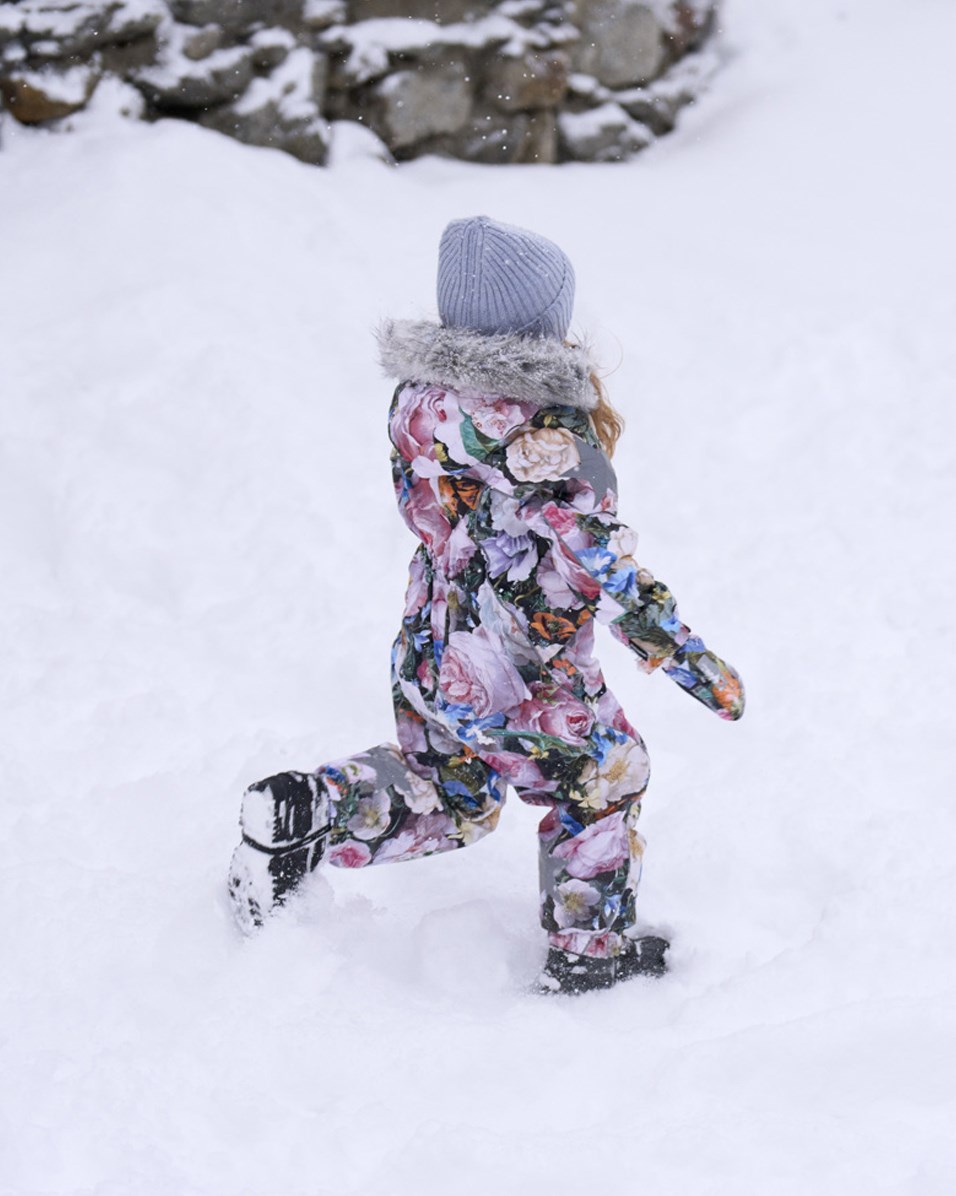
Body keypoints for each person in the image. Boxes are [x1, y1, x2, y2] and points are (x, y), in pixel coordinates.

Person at [227, 216, 744, 994]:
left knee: (450, 791)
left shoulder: (420, 404)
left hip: (431, 646)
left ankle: (311, 810)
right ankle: (587, 955)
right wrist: (690, 660)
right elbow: (594, 557)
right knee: (608, 776)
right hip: (521, 671)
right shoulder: (546, 442)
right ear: (541, 324)